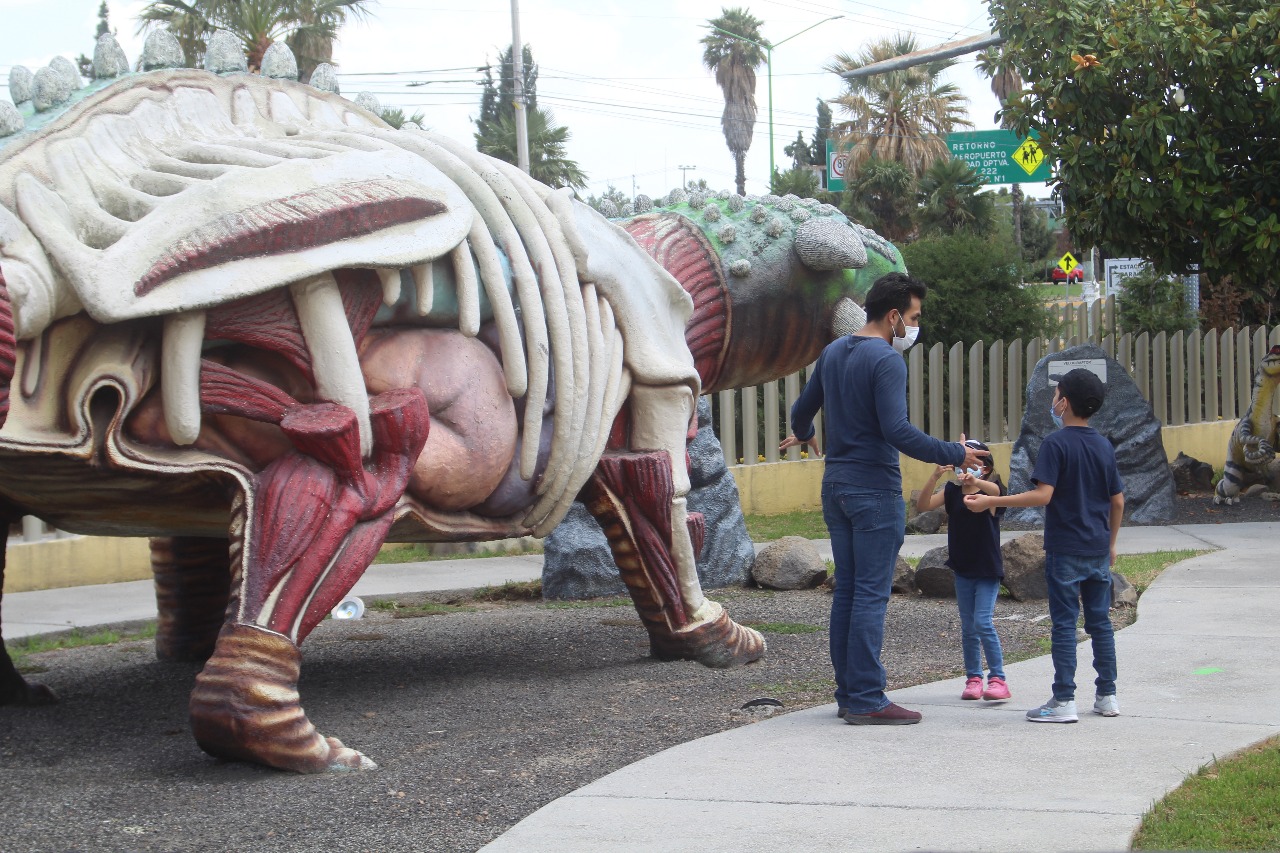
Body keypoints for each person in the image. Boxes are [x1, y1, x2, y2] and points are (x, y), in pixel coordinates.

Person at [781, 272, 986, 726]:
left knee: (849, 593)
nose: (913, 326)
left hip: (835, 488)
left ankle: (849, 695)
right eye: (912, 318)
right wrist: (956, 452)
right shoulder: (887, 360)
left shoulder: (832, 352)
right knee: (870, 596)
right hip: (873, 490)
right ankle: (869, 699)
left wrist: (807, 435)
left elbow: (799, 413)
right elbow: (897, 432)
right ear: (893, 316)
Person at [964, 368, 1125, 723]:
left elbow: (1042, 495)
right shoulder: (1103, 445)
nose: (1052, 401)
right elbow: (1117, 502)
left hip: (1066, 550)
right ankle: (1107, 696)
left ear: (1064, 403)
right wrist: (1111, 543)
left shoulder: (1056, 444)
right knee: (1101, 624)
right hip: (1098, 549)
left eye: (1056, 395)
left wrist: (992, 502)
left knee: (1065, 625)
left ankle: (1064, 700)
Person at [917, 440, 1011, 702]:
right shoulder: (950, 492)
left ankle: (998, 679)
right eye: (963, 464)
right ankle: (973, 678)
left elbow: (996, 492)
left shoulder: (990, 494)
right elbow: (923, 505)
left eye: (974, 465)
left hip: (987, 569)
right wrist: (935, 475)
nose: (966, 470)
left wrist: (978, 482)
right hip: (962, 569)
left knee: (982, 622)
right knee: (968, 627)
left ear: (987, 469)